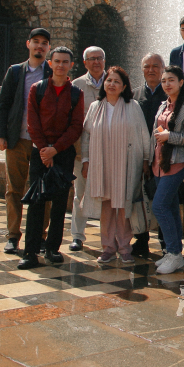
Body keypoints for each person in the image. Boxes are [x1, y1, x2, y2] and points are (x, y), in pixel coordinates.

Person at [19, 47, 84, 270]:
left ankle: (52, 249)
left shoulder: (76, 93)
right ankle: (30, 252)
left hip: (63, 154)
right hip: (40, 153)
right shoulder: (37, 89)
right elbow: (32, 122)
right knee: (36, 203)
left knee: (59, 204)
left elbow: (76, 127)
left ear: (71, 65)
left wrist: (55, 149)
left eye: (65, 62)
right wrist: (44, 149)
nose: (60, 65)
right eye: (56, 61)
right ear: (49, 63)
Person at [80, 67, 151, 264]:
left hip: (126, 163)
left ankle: (125, 247)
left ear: (124, 87)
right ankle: (108, 248)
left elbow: (144, 134)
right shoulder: (96, 107)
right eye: (109, 80)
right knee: (107, 207)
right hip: (101, 163)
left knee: (123, 206)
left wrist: (146, 158)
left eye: (116, 81)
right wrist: (85, 160)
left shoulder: (132, 106)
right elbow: (86, 136)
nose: (111, 84)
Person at [0, 28, 52, 254]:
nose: (39, 46)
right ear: (28, 44)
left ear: (48, 47)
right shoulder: (16, 72)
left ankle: (40, 235)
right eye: (35, 42)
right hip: (17, 139)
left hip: (42, 143)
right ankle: (13, 235)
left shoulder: (52, 72)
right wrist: (1, 134)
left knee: (42, 191)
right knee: (14, 190)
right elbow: (2, 104)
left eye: (44, 43)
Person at [149, 65, 184, 274]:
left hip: (177, 162)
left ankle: (174, 253)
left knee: (159, 206)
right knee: (169, 207)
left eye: (171, 80)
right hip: (159, 163)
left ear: (181, 82)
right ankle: (175, 253)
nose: (167, 84)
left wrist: (170, 137)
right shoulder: (163, 105)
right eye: (164, 81)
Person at [69, 46, 107, 252]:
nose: (96, 62)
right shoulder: (76, 85)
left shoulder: (113, 82)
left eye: (99, 58)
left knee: (109, 196)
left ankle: (108, 237)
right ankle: (77, 235)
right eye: (91, 59)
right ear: (85, 63)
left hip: (108, 151)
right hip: (82, 150)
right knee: (80, 194)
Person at [131, 52, 166, 258]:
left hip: (163, 158)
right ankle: (141, 240)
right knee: (140, 198)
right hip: (138, 156)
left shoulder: (170, 94)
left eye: (156, 66)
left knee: (163, 200)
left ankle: (165, 242)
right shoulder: (134, 96)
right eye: (147, 66)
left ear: (163, 69)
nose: (151, 70)